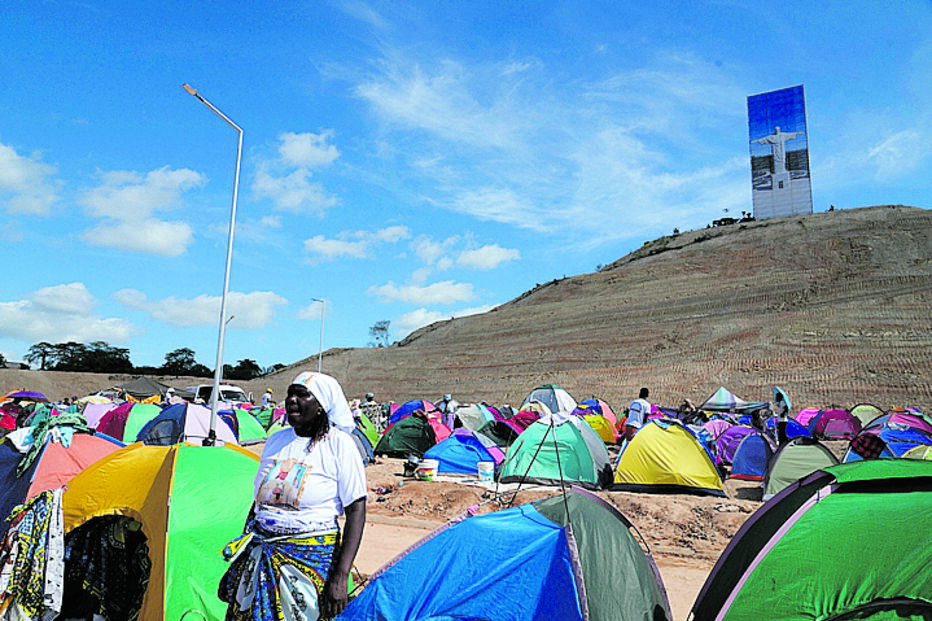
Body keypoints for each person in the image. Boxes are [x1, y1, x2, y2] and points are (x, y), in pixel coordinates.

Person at [219, 371, 367, 620]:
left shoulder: (340, 444)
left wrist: (341, 576)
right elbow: (258, 505)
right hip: (260, 553)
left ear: (321, 405)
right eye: (290, 394)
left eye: (302, 395)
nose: (292, 400)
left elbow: (356, 510)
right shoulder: (276, 441)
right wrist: (241, 557)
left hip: (309, 560)